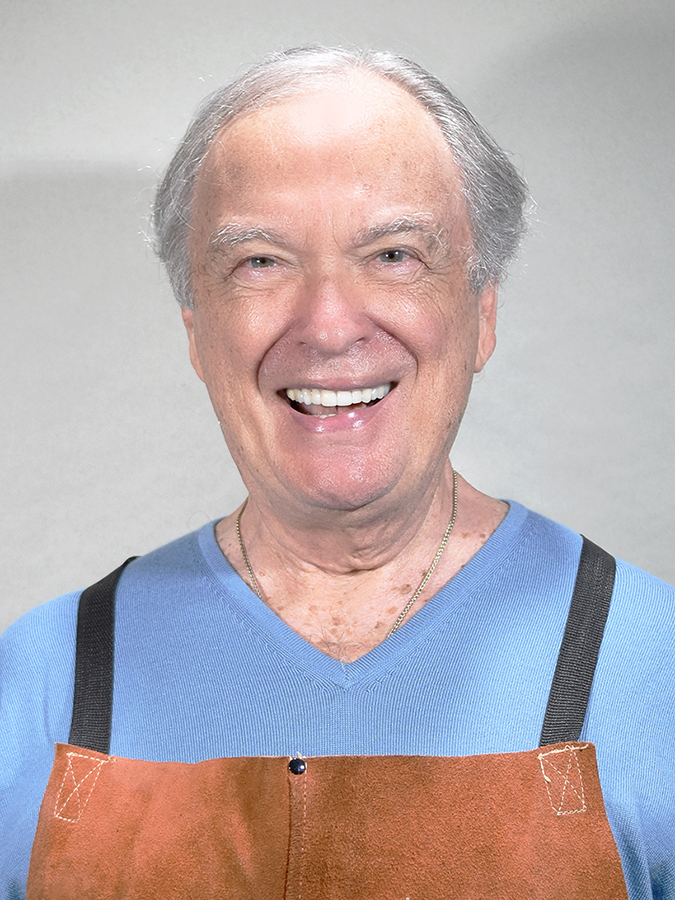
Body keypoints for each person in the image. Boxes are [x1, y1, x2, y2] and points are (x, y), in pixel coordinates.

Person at [1, 45, 673, 899]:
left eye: (393, 254)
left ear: (481, 311)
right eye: (260, 261)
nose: (326, 325)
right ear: (196, 330)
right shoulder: (39, 681)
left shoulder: (654, 664)